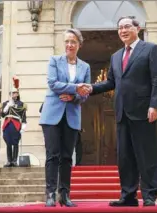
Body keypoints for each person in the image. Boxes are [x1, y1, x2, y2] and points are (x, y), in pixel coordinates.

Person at [79, 16, 157, 207]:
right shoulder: (116, 56)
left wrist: (155, 105)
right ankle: (128, 195)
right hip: (121, 112)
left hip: (144, 111)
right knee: (125, 157)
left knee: (146, 155)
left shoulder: (151, 49)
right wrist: (91, 88)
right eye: (120, 28)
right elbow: (111, 82)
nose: (123, 30)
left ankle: (149, 195)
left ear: (138, 28)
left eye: (127, 26)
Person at [39, 28, 91, 207]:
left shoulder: (85, 67)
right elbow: (53, 83)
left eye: (74, 42)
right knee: (52, 155)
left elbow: (86, 94)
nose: (70, 45)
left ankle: (65, 194)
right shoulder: (54, 60)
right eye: (67, 41)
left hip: (72, 115)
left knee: (67, 157)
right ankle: (50, 194)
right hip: (52, 114)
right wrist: (76, 88)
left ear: (79, 45)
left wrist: (74, 96)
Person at [1, 76, 27, 167]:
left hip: (16, 124)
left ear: (17, 94)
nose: (14, 94)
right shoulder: (5, 103)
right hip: (7, 124)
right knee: (8, 142)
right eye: (12, 93)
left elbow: (23, 116)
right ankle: (9, 160)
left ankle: (15, 160)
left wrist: (23, 126)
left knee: (15, 143)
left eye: (15, 93)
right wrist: (8, 105)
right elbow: (2, 114)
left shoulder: (21, 104)